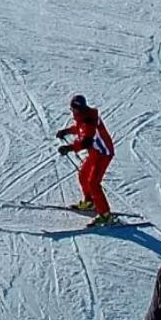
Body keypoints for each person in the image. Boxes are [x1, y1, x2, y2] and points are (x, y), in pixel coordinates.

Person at [56, 94, 117, 225]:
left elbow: (86, 142)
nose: (72, 111)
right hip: (95, 152)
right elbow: (79, 128)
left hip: (103, 154)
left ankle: (105, 215)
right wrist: (66, 131)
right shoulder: (84, 116)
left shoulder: (88, 122)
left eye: (73, 109)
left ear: (79, 109)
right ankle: (90, 202)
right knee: (83, 174)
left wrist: (69, 148)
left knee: (93, 183)